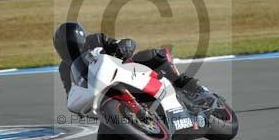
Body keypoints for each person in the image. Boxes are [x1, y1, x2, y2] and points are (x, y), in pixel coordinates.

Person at [53, 22, 202, 95]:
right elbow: (71, 93)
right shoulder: (64, 68)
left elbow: (124, 43)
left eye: (73, 46)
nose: (72, 51)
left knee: (155, 56)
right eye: (66, 48)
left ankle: (183, 82)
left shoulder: (96, 40)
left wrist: (123, 47)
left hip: (129, 72)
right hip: (106, 94)